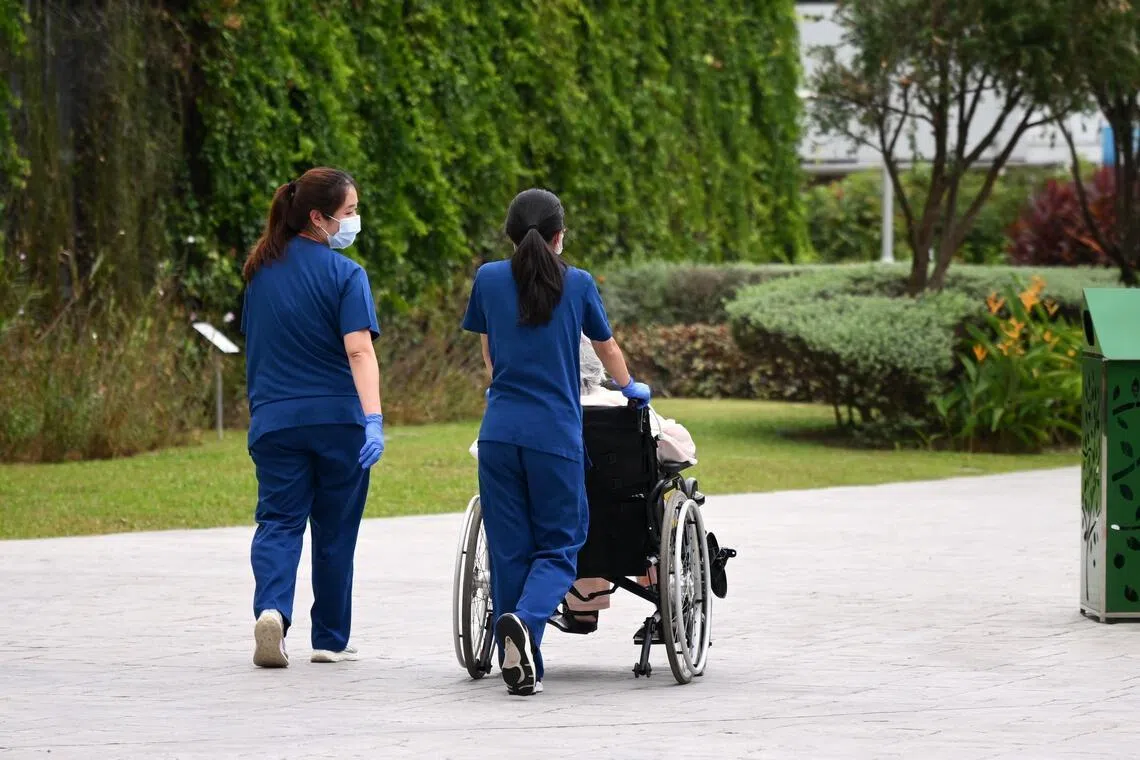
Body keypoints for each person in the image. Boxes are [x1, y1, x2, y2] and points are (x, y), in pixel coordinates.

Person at [461, 188, 650, 696]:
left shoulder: (488, 278)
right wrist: (629, 386)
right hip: (553, 435)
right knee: (561, 546)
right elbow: (606, 347)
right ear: (559, 236)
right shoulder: (578, 282)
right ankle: (524, 622)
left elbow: (490, 354)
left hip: (499, 433)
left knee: (509, 551)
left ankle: (521, 663)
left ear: (510, 234)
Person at [240, 166, 385, 669]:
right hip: (338, 422)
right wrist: (373, 418)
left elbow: (259, 347)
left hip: (275, 421)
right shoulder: (347, 275)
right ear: (319, 218)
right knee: (335, 531)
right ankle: (329, 639)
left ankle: (272, 611)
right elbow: (359, 351)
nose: (355, 221)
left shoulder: (259, 273)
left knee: (278, 522)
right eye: (350, 212)